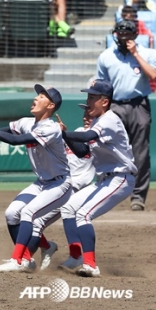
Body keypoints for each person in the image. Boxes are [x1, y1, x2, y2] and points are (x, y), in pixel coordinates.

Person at [0, 84, 72, 273]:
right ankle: (27, 257)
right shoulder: (27, 122)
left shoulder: (50, 128)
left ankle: (17, 260)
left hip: (60, 184)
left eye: (42, 96)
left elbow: (16, 140)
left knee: (28, 213)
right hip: (41, 183)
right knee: (12, 213)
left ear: (50, 106)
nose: (36, 98)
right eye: (37, 94)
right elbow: (4, 132)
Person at [58, 80, 137, 277]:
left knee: (84, 214)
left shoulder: (110, 119)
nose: (88, 101)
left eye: (92, 97)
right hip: (105, 180)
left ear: (104, 101)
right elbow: (83, 151)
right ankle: (76, 256)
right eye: (88, 97)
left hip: (121, 179)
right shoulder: (96, 122)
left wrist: (64, 133)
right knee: (68, 207)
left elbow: (86, 137)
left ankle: (91, 265)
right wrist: (65, 136)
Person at [95, 19, 156, 211]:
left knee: (140, 152)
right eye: (119, 34)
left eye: (127, 34)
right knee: (107, 148)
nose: (122, 37)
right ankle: (105, 191)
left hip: (138, 104)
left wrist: (135, 54)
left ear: (135, 36)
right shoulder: (105, 56)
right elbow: (101, 85)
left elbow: (153, 75)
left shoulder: (148, 53)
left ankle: (137, 197)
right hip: (114, 105)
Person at [29, 105, 95, 271]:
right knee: (29, 218)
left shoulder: (101, 134)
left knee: (66, 210)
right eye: (85, 112)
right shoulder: (79, 131)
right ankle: (46, 247)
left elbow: (84, 151)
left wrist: (64, 135)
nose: (86, 116)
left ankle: (75, 256)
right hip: (60, 184)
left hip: (76, 188)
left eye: (90, 112)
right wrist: (61, 135)